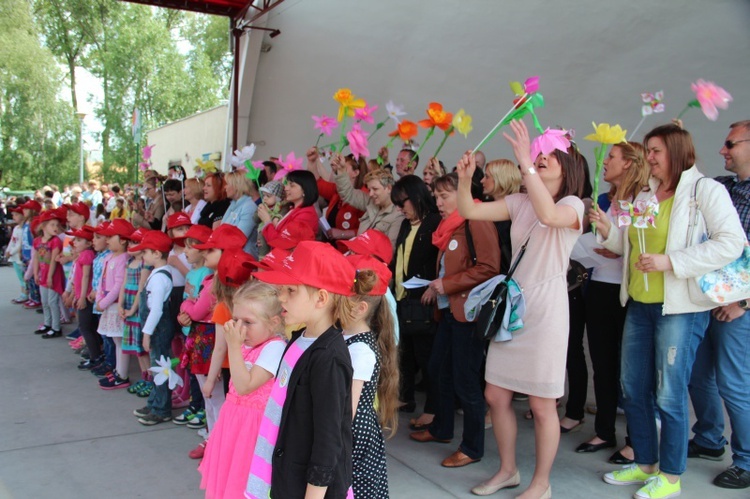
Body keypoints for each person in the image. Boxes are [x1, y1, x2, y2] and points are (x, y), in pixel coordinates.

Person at [592, 124, 745, 499]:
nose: (649, 157)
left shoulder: (704, 191)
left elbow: (731, 243)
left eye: (656, 150)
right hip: (640, 306)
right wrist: (608, 229)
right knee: (633, 387)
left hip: (679, 308)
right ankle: (645, 461)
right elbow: (632, 246)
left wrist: (670, 261)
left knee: (668, 393)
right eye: (647, 150)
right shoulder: (645, 193)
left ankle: (671, 475)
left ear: (677, 151)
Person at [455, 120, 585, 499]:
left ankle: (541, 484)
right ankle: (507, 471)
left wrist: (524, 164)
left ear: (568, 163)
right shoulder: (520, 201)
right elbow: (469, 210)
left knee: (544, 405)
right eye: (537, 153)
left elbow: (550, 217)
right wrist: (466, 179)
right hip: (513, 308)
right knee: (496, 396)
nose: (540, 158)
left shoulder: (573, 205)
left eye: (548, 154)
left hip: (547, 312)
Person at [247, 241, 354, 498]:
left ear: (321, 298)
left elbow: (328, 440)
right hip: (286, 476)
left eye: (291, 291)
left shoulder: (329, 358)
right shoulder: (299, 339)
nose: (281, 297)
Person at [409, 172, 501, 470]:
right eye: (436, 196)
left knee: (465, 380)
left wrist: (445, 285)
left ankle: (472, 447)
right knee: (439, 369)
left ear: (462, 195)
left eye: (444, 196)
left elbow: (489, 267)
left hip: (468, 312)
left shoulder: (477, 220)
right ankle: (442, 429)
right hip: (450, 311)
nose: (438, 202)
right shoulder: (453, 225)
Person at [575, 141, 649, 461]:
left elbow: (643, 246)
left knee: (631, 371)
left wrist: (617, 245)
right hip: (601, 288)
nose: (605, 163)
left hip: (629, 291)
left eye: (612, 158)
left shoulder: (644, 199)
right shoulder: (607, 199)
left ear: (630, 163)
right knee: (603, 365)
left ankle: (636, 438)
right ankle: (604, 430)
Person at [687, 120, 750, 490]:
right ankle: (710, 440)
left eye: (731, 143)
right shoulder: (722, 188)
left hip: (737, 307)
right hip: (707, 299)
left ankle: (745, 461)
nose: (723, 150)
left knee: (733, 383)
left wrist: (742, 301)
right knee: (698, 375)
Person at [198, 280, 286, 498]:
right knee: (227, 473)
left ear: (274, 323)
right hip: (233, 421)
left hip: (254, 428)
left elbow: (244, 385)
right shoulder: (247, 345)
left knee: (244, 479)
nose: (240, 328)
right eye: (236, 320)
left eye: (248, 322)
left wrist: (234, 347)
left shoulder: (274, 347)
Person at [339, 255, 399, 498]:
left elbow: (348, 410)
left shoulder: (361, 350)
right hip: (352, 431)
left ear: (359, 307)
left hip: (353, 434)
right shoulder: (345, 337)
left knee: (356, 488)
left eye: (339, 299)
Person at [389, 175, 441, 430]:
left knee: (427, 357)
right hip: (402, 297)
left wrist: (434, 284)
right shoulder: (406, 225)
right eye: (397, 204)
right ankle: (405, 398)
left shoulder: (434, 222)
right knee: (404, 353)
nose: (400, 209)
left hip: (424, 297)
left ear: (417, 196)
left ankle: (433, 408)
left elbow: (440, 260)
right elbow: (398, 259)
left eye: (402, 203)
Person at [131, 230, 177, 426]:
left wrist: (147, 333)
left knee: (160, 368)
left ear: (157, 254)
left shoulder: (159, 278)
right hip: (156, 327)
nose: (143, 256)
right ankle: (154, 402)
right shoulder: (157, 274)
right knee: (157, 366)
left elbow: (156, 309)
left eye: (146, 252)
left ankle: (161, 408)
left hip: (158, 328)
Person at [332, 157, 404, 250]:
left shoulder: (398, 216)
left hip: (371, 263)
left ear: (389, 188)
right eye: (369, 189)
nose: (370, 194)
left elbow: (389, 251)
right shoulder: (371, 201)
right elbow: (347, 193)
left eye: (375, 189)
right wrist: (341, 170)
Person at [96, 219, 134, 389]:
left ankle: (122, 374)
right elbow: (101, 281)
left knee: (120, 340)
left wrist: (103, 302)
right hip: (107, 304)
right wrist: (99, 299)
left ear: (123, 239)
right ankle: (118, 371)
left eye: (111, 237)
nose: (107, 240)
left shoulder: (123, 259)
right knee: (115, 339)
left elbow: (119, 285)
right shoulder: (109, 257)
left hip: (115, 304)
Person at [306, 147, 367, 243]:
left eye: (343, 168)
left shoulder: (364, 196)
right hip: (330, 247)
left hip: (349, 252)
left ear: (355, 173)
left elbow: (366, 230)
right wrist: (312, 161)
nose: (340, 170)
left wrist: (341, 233)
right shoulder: (337, 189)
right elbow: (317, 183)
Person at [120, 229, 153, 396]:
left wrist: (132, 309)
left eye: (134, 242)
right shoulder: (129, 263)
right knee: (136, 348)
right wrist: (120, 305)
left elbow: (141, 289)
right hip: (128, 307)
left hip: (138, 310)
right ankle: (144, 376)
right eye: (130, 242)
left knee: (142, 348)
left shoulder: (145, 265)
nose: (130, 245)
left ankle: (151, 379)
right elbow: (124, 285)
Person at [258, 170, 319, 250]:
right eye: (287, 184)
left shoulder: (306, 215)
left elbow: (282, 242)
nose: (286, 188)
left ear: (304, 189)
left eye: (292, 185)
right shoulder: (294, 208)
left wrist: (267, 221)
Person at [32, 208, 67, 338]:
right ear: (44, 226)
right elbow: (36, 258)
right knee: (44, 301)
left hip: (53, 276)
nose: (56, 227)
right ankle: (47, 323)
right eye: (52, 224)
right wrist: (36, 273)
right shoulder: (37, 241)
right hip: (43, 275)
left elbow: (53, 260)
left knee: (52, 302)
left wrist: (50, 277)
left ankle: (56, 327)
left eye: (57, 225)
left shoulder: (56, 241)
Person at [221, 170, 259, 257]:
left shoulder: (249, 207)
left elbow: (239, 238)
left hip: (242, 258)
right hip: (230, 255)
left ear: (237, 186)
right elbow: (221, 228)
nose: (225, 187)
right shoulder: (233, 204)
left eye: (227, 184)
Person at [7, 205, 28, 303]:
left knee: (24, 277)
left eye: (16, 215)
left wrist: (11, 252)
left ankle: (25, 294)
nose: (13, 217)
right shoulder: (16, 228)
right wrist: (8, 250)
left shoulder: (24, 229)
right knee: (20, 277)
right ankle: (23, 293)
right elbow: (12, 241)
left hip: (20, 257)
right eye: (13, 215)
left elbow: (20, 243)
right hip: (14, 257)